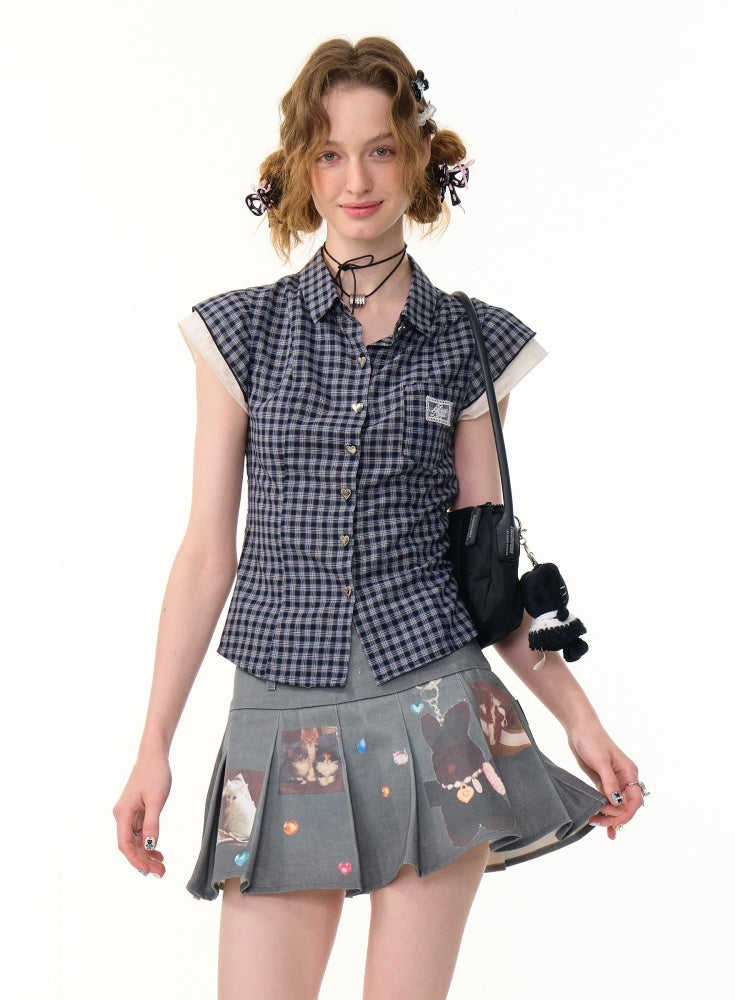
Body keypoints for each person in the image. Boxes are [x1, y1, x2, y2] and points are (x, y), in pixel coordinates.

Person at [113, 36, 646, 1000]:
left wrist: (582, 720)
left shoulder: (471, 344)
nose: (356, 180)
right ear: (299, 167)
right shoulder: (241, 333)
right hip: (279, 713)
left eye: (380, 149)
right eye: (329, 153)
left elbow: (485, 570)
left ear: (419, 156)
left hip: (438, 710)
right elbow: (205, 556)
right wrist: (155, 743)